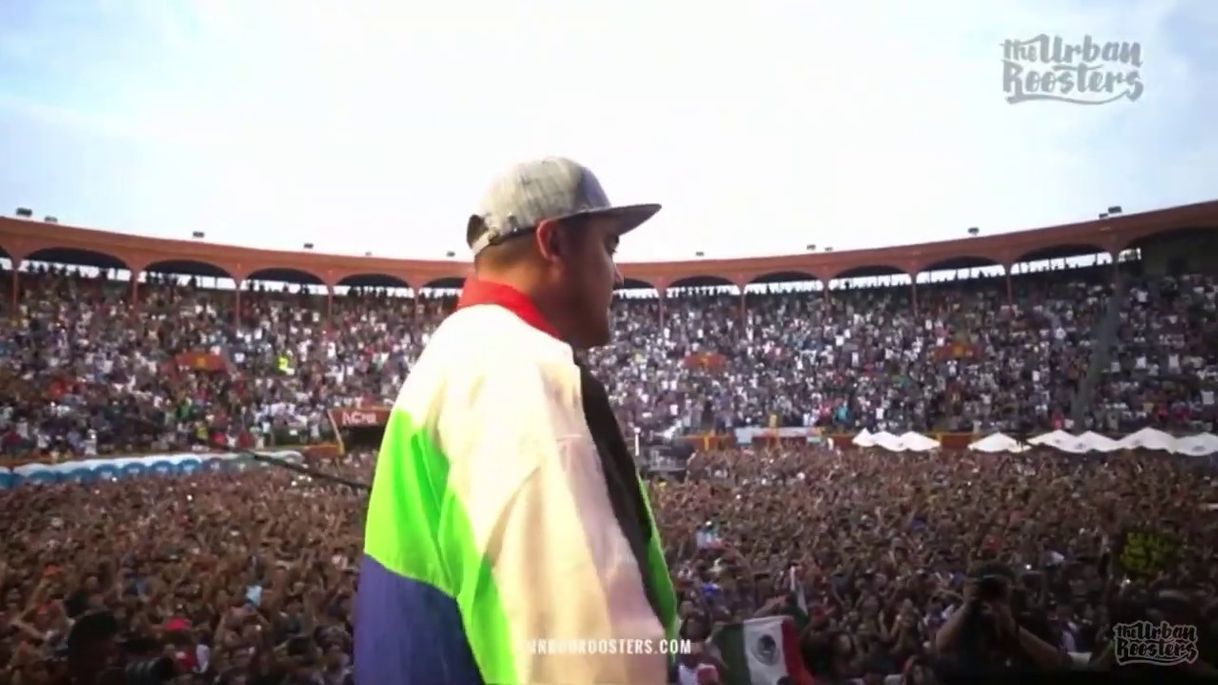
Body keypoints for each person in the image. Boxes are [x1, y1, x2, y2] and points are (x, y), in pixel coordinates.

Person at [354, 157, 678, 684]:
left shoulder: (454, 360)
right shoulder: (521, 378)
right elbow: (583, 660)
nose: (617, 273)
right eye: (608, 247)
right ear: (553, 245)